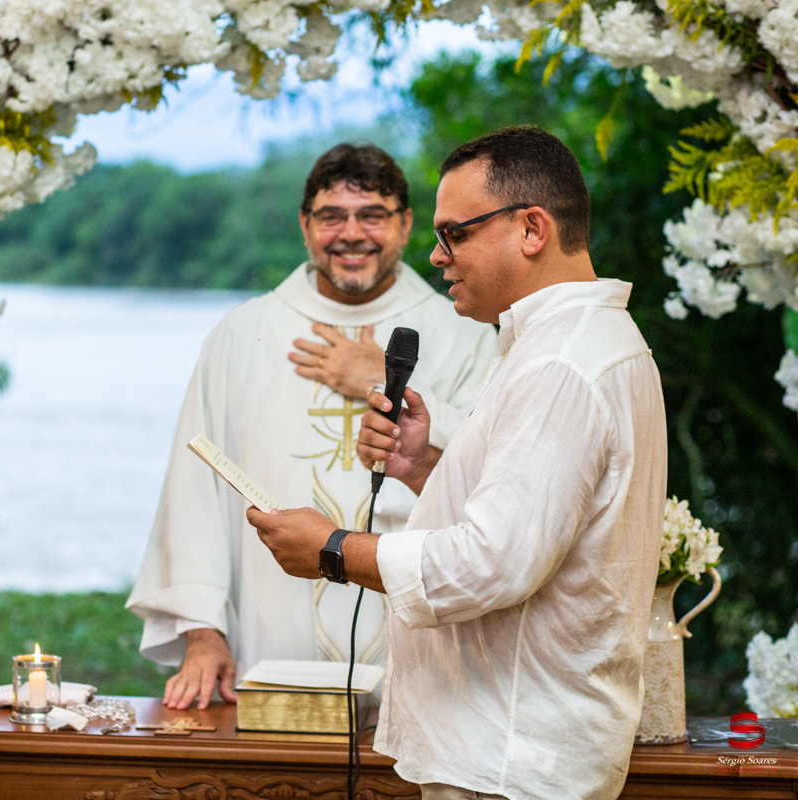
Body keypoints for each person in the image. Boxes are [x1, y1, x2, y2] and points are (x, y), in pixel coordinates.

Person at [249, 126, 668, 800]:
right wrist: (426, 467)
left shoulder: (561, 362)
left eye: (454, 234)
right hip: (507, 748)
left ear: (532, 228)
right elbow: (532, 523)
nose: (438, 256)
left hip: (512, 758)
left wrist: (332, 550)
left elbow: (492, 563)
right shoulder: (574, 342)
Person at [127, 143, 498, 710]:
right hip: (268, 631)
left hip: (427, 656)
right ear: (305, 226)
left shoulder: (464, 332)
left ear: (404, 224)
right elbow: (195, 489)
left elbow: (494, 479)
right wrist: (202, 633)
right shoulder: (242, 333)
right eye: (331, 217)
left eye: (372, 215)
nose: (351, 234)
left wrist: (377, 378)